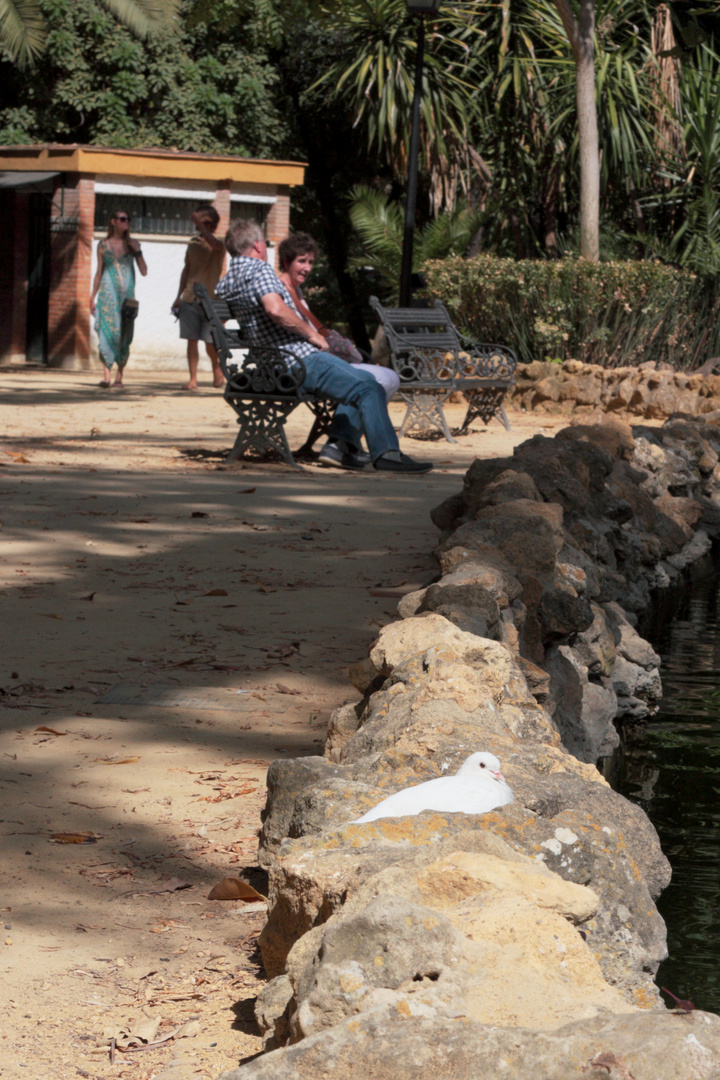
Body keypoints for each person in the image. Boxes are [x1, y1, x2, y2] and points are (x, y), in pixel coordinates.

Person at [215, 220, 432, 474]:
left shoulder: (228, 280)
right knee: (368, 387)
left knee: (362, 382)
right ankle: (386, 454)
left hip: (271, 366)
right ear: (258, 245)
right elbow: (275, 309)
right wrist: (312, 335)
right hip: (297, 361)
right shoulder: (260, 271)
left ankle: (344, 447)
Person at [277, 231, 400, 469]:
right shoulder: (282, 290)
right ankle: (341, 445)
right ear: (286, 262)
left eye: (311, 262)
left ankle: (342, 444)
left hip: (317, 359)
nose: (307, 268)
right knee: (375, 380)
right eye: (301, 261)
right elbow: (298, 331)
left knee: (389, 378)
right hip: (306, 363)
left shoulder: (297, 291)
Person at [90, 208, 147, 387]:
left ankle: (119, 376)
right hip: (107, 296)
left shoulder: (132, 245)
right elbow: (98, 273)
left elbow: (144, 271)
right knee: (107, 332)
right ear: (113, 221)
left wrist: (138, 252)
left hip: (127, 297)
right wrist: (91, 297)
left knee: (124, 333)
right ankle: (106, 375)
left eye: (128, 219)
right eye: (122, 219)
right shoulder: (102, 245)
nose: (126, 222)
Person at [172, 205, 226, 391]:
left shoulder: (220, 244)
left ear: (212, 225)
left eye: (205, 223)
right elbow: (186, 270)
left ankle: (216, 367)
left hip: (211, 299)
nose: (200, 226)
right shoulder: (193, 243)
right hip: (189, 298)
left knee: (210, 342)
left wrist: (200, 224)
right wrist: (178, 296)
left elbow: (215, 244)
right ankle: (192, 379)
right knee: (191, 339)